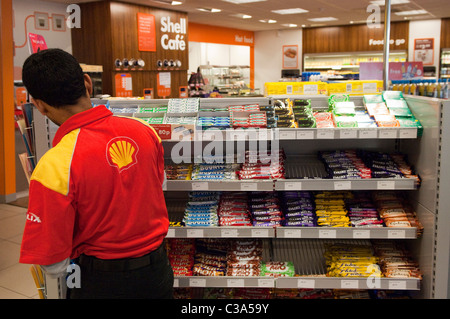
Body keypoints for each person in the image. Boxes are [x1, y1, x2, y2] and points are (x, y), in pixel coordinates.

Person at [19, 48, 173, 299]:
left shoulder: (54, 165)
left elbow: (54, 264)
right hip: (157, 272)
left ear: (39, 106)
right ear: (87, 84)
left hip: (99, 281)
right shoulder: (145, 131)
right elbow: (159, 185)